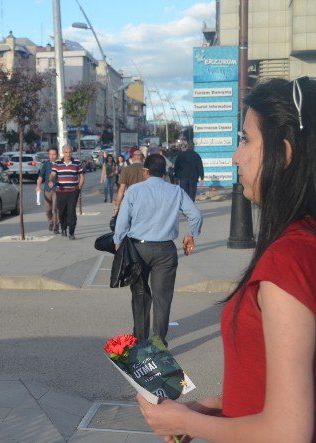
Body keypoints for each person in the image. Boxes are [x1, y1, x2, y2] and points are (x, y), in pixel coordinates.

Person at [138, 77, 316, 443]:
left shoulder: (288, 258)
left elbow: (288, 432)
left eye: (247, 139)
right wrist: (220, 406)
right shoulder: (304, 242)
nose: (236, 155)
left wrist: (182, 422)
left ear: (283, 154)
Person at [113, 154, 202, 346]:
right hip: (165, 251)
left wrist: (118, 241)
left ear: (145, 171)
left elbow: (122, 220)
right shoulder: (176, 191)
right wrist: (190, 235)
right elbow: (195, 215)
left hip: (137, 248)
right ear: (164, 173)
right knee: (162, 298)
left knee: (140, 295)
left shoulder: (135, 190)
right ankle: (159, 344)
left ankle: (141, 341)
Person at [49, 145, 84, 240]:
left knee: (71, 212)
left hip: (73, 191)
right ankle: (63, 228)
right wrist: (51, 180)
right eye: (66, 152)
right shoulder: (57, 163)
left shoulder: (77, 162)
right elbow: (52, 174)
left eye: (70, 152)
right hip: (61, 192)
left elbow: (81, 176)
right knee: (62, 212)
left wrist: (79, 187)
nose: (68, 154)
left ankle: (71, 232)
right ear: (63, 153)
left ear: (72, 152)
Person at [113, 149, 145, 217]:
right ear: (143, 158)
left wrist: (117, 206)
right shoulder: (147, 169)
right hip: (145, 200)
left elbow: (121, 189)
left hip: (130, 200)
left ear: (132, 159)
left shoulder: (126, 169)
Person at [35, 147, 60, 233]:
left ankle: (56, 225)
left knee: (55, 208)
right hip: (47, 190)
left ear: (57, 155)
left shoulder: (60, 164)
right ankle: (51, 221)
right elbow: (41, 176)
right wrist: (38, 186)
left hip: (57, 190)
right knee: (48, 210)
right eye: (50, 154)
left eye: (53, 154)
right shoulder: (46, 164)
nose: (52, 156)